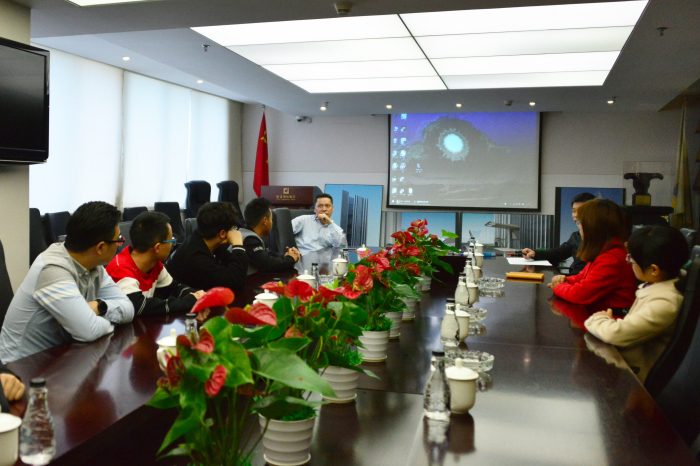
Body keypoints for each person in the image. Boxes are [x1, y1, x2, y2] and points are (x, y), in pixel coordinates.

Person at [0, 202, 134, 363]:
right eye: (118, 239)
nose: (120, 243)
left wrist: (100, 306)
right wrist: (104, 320)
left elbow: (129, 309)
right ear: (100, 248)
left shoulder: (94, 265)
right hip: (20, 368)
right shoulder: (52, 269)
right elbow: (88, 331)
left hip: (60, 357)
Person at [584, 226, 688, 382]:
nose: (630, 262)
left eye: (632, 259)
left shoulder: (664, 302)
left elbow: (615, 334)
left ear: (654, 270)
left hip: (635, 378)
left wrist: (599, 318)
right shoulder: (658, 285)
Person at [106, 212, 205, 316]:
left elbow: (173, 288)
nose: (172, 245)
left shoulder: (155, 263)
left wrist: (199, 295)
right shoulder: (120, 268)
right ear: (157, 247)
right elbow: (140, 307)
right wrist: (189, 301)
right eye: (171, 241)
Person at [548, 199, 637, 313]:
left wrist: (558, 287)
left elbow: (579, 295)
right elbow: (583, 277)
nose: (579, 228)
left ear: (593, 227)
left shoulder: (610, 259)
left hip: (612, 320)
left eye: (580, 223)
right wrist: (566, 280)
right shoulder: (605, 252)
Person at [166, 202, 248, 291]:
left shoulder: (206, 240)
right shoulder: (196, 257)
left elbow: (230, 269)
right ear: (222, 233)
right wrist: (238, 245)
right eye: (233, 228)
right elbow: (236, 282)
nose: (235, 231)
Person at [523, 192, 596, 275]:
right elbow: (558, 253)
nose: (576, 215)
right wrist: (535, 253)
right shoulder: (576, 236)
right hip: (575, 279)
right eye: (574, 211)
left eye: (581, 211)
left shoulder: (602, 239)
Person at [241, 198, 300, 274]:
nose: (272, 222)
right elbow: (268, 263)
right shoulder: (249, 240)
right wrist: (291, 259)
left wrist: (287, 256)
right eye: (271, 219)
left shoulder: (246, 235)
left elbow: (267, 254)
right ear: (265, 221)